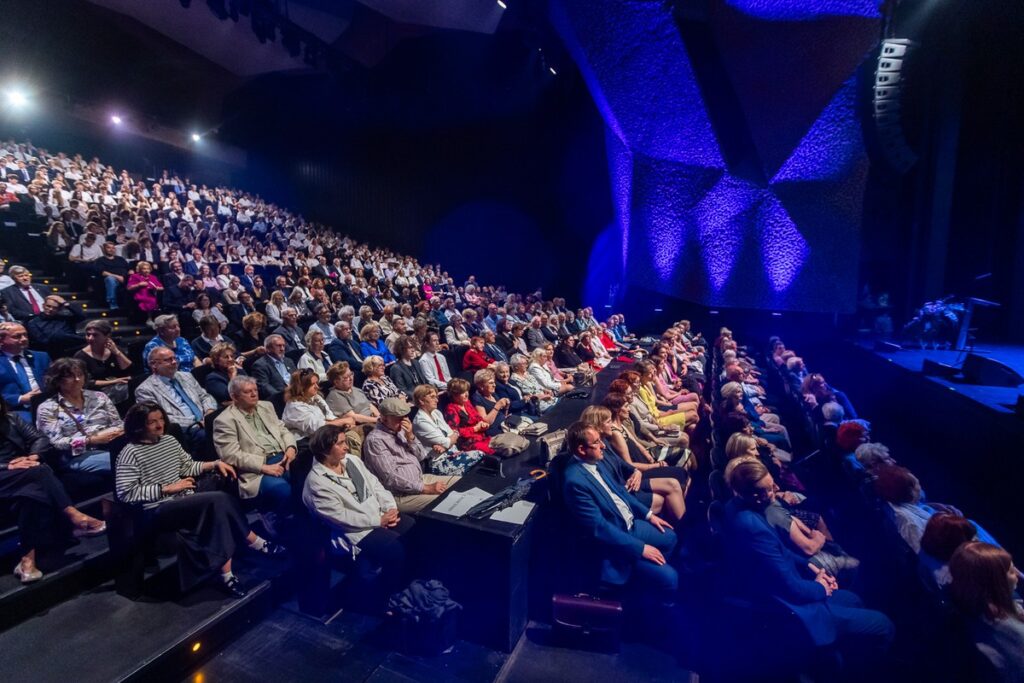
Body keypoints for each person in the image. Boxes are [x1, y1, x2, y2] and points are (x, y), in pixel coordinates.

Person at [722, 458, 894, 667]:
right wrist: (821, 588)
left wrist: (812, 569)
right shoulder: (751, 527)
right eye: (769, 489)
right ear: (756, 497)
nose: (776, 489)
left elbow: (781, 552)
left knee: (853, 599)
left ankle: (848, 654)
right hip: (795, 610)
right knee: (884, 625)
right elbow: (791, 589)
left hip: (795, 588)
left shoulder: (737, 505)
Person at [115, 403, 283, 598]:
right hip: (158, 509)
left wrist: (215, 463)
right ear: (139, 425)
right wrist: (167, 488)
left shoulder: (168, 440)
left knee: (219, 504)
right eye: (152, 422)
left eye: (161, 419)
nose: (159, 425)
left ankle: (227, 575)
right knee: (218, 500)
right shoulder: (130, 452)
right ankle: (253, 540)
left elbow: (187, 466)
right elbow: (125, 492)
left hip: (184, 499)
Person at [560, 421, 678, 602]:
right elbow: (599, 528)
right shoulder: (574, 482)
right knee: (670, 578)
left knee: (671, 537)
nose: (603, 446)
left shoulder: (595, 461)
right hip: (615, 543)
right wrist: (641, 549)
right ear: (582, 450)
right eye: (597, 442)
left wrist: (649, 515)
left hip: (630, 525)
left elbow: (621, 492)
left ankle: (644, 587)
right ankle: (648, 609)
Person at [302, 424, 414, 601]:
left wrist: (390, 507)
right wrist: (378, 520)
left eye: (345, 441)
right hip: (353, 530)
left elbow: (375, 485)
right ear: (325, 450)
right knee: (394, 550)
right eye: (340, 443)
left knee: (411, 527)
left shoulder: (351, 461)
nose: (346, 447)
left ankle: (406, 581)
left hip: (378, 515)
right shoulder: (317, 483)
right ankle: (388, 597)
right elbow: (340, 518)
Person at [1, 399, 106, 583]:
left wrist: (32, 456)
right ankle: (73, 516)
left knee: (28, 495)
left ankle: (27, 561)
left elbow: (39, 439)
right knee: (40, 472)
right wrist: (7, 465)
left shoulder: (11, 419)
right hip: (4, 475)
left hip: (24, 472)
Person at [213, 376, 298, 534]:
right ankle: (284, 525)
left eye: (255, 390)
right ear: (234, 396)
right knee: (283, 490)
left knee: (307, 478)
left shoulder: (266, 406)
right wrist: (264, 467)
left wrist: (291, 447)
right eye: (247, 392)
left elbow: (282, 429)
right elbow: (231, 455)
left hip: (284, 456)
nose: (254, 395)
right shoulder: (224, 421)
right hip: (257, 470)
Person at [362, 397, 457, 513]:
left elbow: (422, 456)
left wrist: (411, 437)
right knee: (447, 500)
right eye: (399, 418)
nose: (404, 421)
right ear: (384, 418)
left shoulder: (401, 430)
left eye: (405, 417)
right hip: (400, 495)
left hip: (419, 479)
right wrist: (426, 488)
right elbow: (390, 477)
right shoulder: (375, 440)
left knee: (461, 483)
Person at [948, 542, 1024, 682]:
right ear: (996, 582)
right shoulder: (1015, 635)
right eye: (1012, 571)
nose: (1018, 575)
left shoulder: (968, 606)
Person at [36, 358, 123, 474]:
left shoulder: (99, 396)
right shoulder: (48, 408)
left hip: (110, 444)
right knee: (125, 462)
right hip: (76, 455)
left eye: (80, 375)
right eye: (70, 376)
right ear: (57, 380)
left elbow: (118, 423)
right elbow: (56, 443)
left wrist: (118, 432)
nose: (77, 379)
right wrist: (90, 440)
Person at [135, 347, 217, 455]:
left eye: (174, 358)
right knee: (209, 435)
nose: (174, 362)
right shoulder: (145, 390)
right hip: (184, 429)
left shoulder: (186, 376)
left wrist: (209, 412)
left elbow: (205, 396)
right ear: (154, 364)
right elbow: (160, 418)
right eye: (168, 360)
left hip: (206, 420)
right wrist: (197, 423)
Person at [411, 384, 483, 476]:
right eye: (432, 397)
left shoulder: (436, 413)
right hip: (438, 462)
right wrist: (449, 441)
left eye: (436, 397)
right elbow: (447, 440)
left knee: (481, 461)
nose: (436, 400)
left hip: (452, 453)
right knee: (479, 455)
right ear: (421, 400)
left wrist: (446, 444)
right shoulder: (420, 422)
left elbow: (453, 433)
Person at [282, 368, 355, 441]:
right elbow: (317, 427)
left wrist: (344, 425)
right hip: (307, 442)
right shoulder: (295, 407)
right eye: (312, 384)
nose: (317, 387)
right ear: (301, 387)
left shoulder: (316, 397)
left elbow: (329, 416)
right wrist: (343, 421)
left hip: (326, 436)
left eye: (317, 383)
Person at [325, 361, 378, 454]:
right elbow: (353, 417)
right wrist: (377, 420)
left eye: (351, 374)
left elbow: (369, 405)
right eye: (346, 378)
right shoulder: (335, 396)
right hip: (360, 426)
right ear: (336, 382)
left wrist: (381, 417)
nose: (351, 378)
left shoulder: (356, 389)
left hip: (373, 420)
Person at [74, 319, 132, 403]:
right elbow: (86, 383)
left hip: (120, 388)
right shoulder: (80, 356)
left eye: (95, 335)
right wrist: (114, 381)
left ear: (107, 336)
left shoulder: (116, 350)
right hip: (96, 393)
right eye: (88, 335)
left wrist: (117, 353)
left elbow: (129, 370)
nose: (90, 338)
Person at [0, 321, 50, 417]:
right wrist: (20, 399)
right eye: (17, 336)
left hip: (47, 404)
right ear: (1, 340)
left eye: (25, 335)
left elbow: (54, 381)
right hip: (14, 410)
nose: (24, 339)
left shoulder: (41, 357)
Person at [442, 378, 494, 454]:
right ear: (454, 395)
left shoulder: (467, 403)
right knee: (496, 450)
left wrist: (482, 424)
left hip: (481, 437)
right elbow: (454, 432)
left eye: (467, 391)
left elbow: (478, 418)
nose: (467, 394)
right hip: (467, 443)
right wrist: (474, 428)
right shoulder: (451, 409)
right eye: (462, 392)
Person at [250, 334, 297, 399]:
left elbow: (298, 378)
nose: (282, 349)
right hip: (279, 399)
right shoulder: (260, 365)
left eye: (283, 346)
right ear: (268, 348)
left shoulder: (288, 361)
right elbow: (264, 387)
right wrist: (282, 397)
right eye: (278, 346)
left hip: (296, 395)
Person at [93, 240, 129, 310]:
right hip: (112, 279)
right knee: (110, 279)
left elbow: (128, 268)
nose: (111, 250)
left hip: (125, 278)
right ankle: (112, 302)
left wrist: (131, 271)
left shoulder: (121, 259)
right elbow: (103, 272)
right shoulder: (100, 260)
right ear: (104, 249)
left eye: (113, 248)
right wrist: (118, 277)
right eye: (109, 248)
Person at [126, 261, 163, 325]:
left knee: (155, 299)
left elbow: (161, 287)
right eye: (144, 269)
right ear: (140, 270)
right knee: (150, 300)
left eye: (148, 269)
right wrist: (139, 285)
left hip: (151, 294)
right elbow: (129, 288)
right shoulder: (134, 276)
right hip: (140, 294)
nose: (146, 271)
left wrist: (157, 288)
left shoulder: (153, 277)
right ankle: (149, 319)